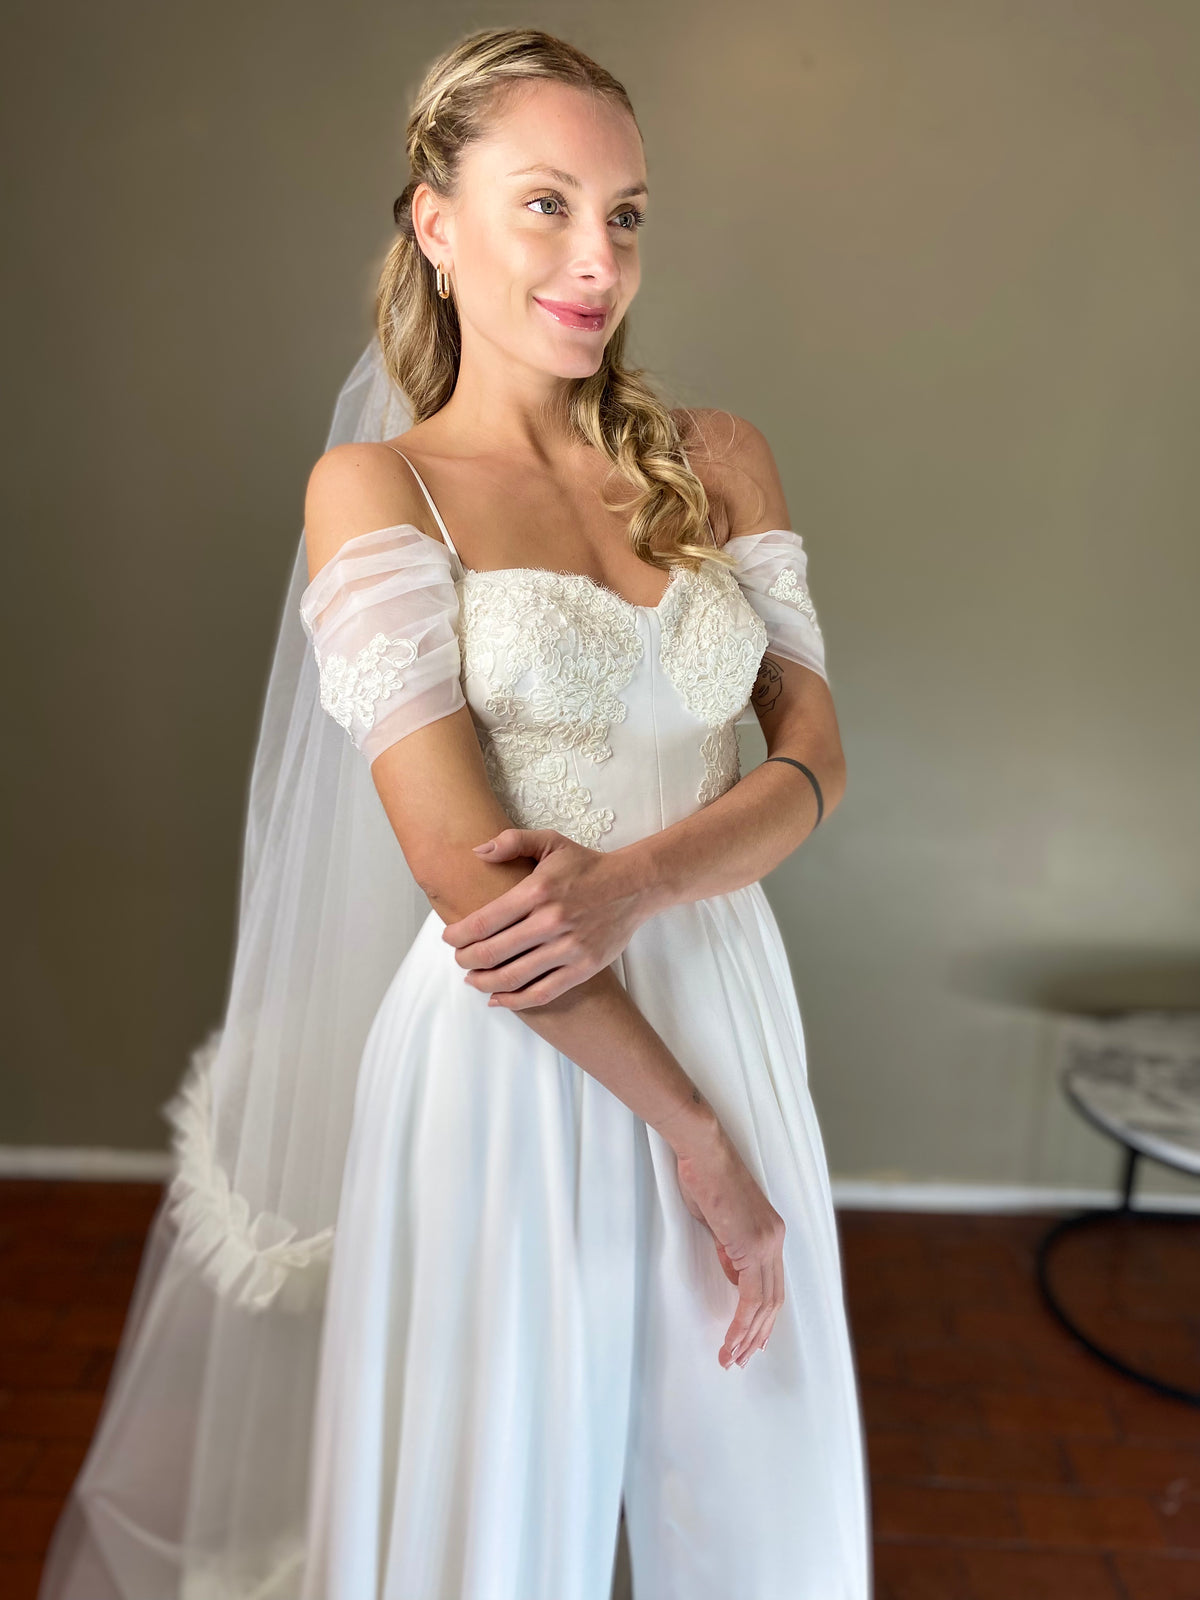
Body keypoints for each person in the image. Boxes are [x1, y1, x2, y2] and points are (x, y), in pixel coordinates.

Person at [38, 25, 870, 1600]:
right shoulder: (377, 491)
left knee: (766, 1493)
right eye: (545, 204)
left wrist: (635, 886)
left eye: (626, 214)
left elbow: (816, 754)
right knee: (494, 1520)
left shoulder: (721, 461)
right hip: (515, 1050)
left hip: (728, 1007)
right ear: (436, 222)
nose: (596, 259)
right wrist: (693, 1139)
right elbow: (469, 880)